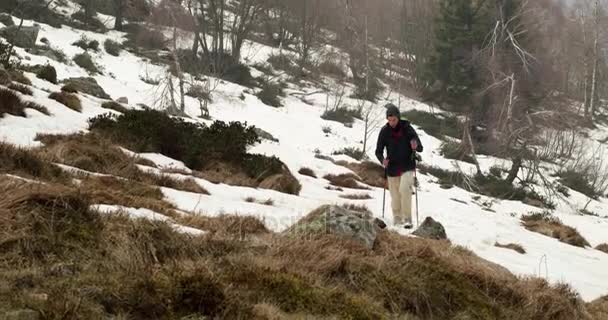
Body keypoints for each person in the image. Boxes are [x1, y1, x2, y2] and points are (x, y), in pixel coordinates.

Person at [375, 103, 423, 229]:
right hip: (392, 167)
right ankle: (397, 219)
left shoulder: (407, 128)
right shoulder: (384, 131)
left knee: (404, 189)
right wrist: (382, 160)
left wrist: (415, 145)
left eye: (394, 120)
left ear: (398, 117)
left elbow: (420, 146)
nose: (392, 122)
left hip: (407, 165)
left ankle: (407, 219)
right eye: (389, 120)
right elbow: (378, 151)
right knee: (395, 195)